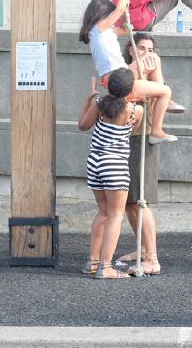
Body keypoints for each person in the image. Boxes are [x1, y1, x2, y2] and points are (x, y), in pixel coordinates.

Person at [78, 0, 175, 144]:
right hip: (120, 78)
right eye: (110, 15)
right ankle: (157, 129)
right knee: (163, 85)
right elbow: (120, 9)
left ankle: (161, 97)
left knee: (155, 67)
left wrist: (127, 22)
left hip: (119, 76)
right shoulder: (98, 29)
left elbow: (124, 28)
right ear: (101, 15)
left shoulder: (101, 33)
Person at [78, 69, 144, 279]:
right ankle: (106, 266)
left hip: (95, 161)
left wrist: (88, 100)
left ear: (107, 85)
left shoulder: (99, 104)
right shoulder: (136, 110)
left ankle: (93, 261)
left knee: (103, 212)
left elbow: (83, 126)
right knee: (116, 215)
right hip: (115, 163)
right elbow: (133, 130)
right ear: (131, 89)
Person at [116, 33, 169, 275]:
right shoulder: (125, 70)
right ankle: (144, 251)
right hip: (126, 137)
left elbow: (164, 92)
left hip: (143, 137)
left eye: (150, 49)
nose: (146, 53)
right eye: (141, 48)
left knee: (140, 201)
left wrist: (153, 67)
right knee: (129, 202)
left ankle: (152, 258)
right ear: (130, 49)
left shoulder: (151, 73)